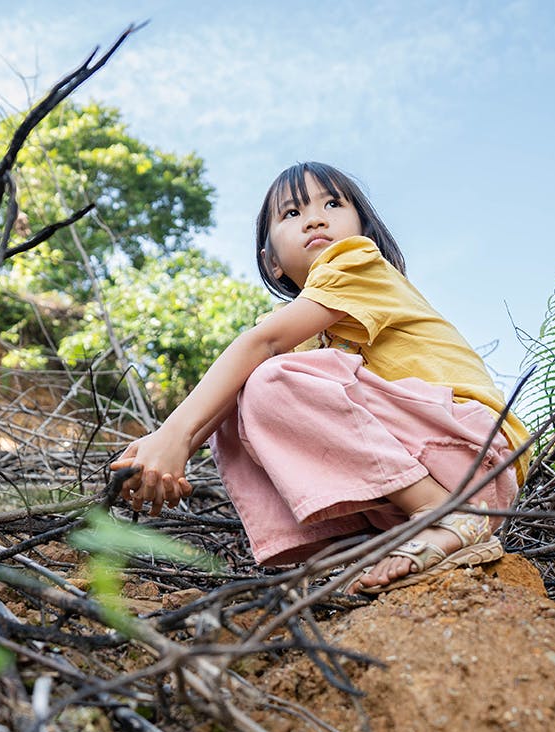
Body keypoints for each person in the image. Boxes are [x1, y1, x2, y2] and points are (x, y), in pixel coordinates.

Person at [111, 162, 529, 593]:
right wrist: (160, 457)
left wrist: (174, 436)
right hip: (428, 465)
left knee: (267, 378)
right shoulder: (301, 336)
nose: (314, 217)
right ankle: (379, 540)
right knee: (240, 404)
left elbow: (263, 345)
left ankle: (442, 514)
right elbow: (249, 368)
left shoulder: (358, 263)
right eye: (291, 214)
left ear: (364, 230)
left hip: (474, 454)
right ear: (271, 261)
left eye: (332, 203)